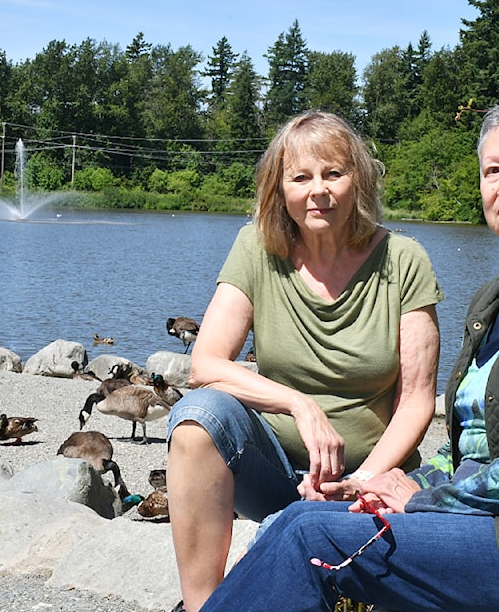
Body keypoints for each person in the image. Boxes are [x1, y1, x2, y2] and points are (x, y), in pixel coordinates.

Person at [196, 95, 499, 612]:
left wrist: (421, 499)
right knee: (310, 520)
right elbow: (464, 449)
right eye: (493, 171)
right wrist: (383, 486)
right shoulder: (496, 298)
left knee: (308, 533)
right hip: (495, 534)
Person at [166, 111, 445, 612]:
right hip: (273, 468)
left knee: (287, 546)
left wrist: (361, 481)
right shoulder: (256, 248)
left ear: (356, 179)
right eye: (301, 177)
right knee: (196, 419)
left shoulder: (405, 259)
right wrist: (300, 406)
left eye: (333, 173)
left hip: (369, 476)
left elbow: (418, 399)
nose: (319, 190)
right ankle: (201, 605)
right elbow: (204, 364)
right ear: (280, 189)